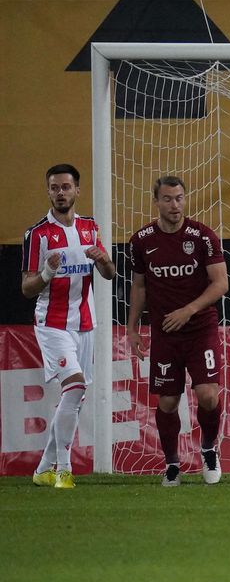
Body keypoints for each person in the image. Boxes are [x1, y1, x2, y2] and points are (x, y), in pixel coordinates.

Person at [127, 176, 229, 487]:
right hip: (165, 333)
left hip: (200, 329)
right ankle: (172, 463)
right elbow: (140, 286)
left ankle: (209, 449)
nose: (175, 205)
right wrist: (132, 328)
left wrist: (189, 310)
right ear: (155, 201)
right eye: (168, 199)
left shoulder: (203, 236)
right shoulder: (141, 240)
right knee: (168, 402)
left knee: (208, 395)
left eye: (180, 198)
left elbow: (221, 283)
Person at [21, 164, 117, 489]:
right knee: (74, 387)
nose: (60, 193)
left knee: (75, 397)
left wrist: (103, 260)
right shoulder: (38, 235)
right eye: (54, 188)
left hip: (85, 323)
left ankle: (43, 468)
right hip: (52, 324)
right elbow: (26, 288)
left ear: (77, 190)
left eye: (65, 187)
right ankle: (64, 468)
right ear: (48, 192)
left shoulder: (90, 227)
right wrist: (46, 274)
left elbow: (109, 274)